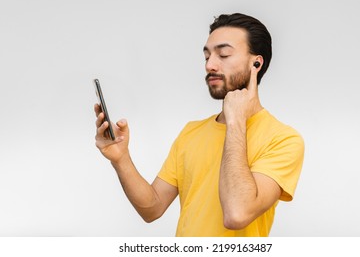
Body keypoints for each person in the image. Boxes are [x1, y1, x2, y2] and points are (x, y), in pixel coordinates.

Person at [94, 13, 304, 237]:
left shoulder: (283, 140)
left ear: (256, 63)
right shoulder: (191, 132)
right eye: (207, 56)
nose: (210, 65)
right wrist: (121, 158)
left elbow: (237, 214)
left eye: (223, 54)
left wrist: (235, 121)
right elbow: (152, 209)